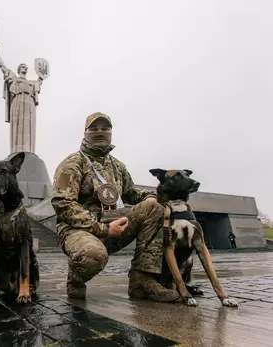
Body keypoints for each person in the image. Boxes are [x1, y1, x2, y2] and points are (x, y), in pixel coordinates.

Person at [51, 112, 180, 302]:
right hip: (78, 231)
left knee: (154, 207)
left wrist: (157, 195)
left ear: (111, 132)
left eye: (105, 128)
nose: (100, 132)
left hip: (116, 225)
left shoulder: (117, 166)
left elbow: (132, 193)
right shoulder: (72, 164)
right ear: (85, 132)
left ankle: (141, 280)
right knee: (92, 256)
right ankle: (76, 278)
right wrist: (101, 229)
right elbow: (63, 203)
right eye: (94, 128)